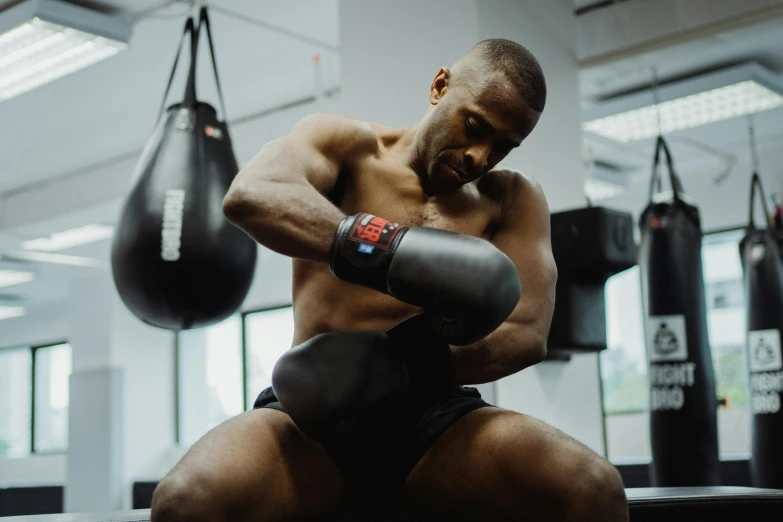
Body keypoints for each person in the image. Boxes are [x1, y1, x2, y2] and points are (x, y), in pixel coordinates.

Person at [151, 39, 628, 522]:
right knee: (186, 502)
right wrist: (380, 247)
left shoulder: (512, 198)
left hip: (432, 421)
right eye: (476, 126)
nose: (481, 156)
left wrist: (401, 365)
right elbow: (252, 194)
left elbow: (527, 331)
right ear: (440, 86)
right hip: (312, 415)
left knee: (591, 489)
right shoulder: (348, 146)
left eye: (504, 145)